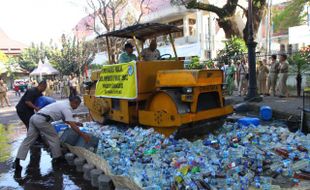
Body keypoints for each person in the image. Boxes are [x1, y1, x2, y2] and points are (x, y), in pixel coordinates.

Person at [13, 96, 91, 170]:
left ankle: (17, 161)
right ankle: (57, 158)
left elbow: (66, 120)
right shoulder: (67, 108)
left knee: (28, 140)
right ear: (75, 103)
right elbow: (72, 125)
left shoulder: (63, 103)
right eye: (77, 105)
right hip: (42, 120)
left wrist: (77, 123)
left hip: (34, 118)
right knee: (54, 137)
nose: (76, 107)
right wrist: (83, 135)